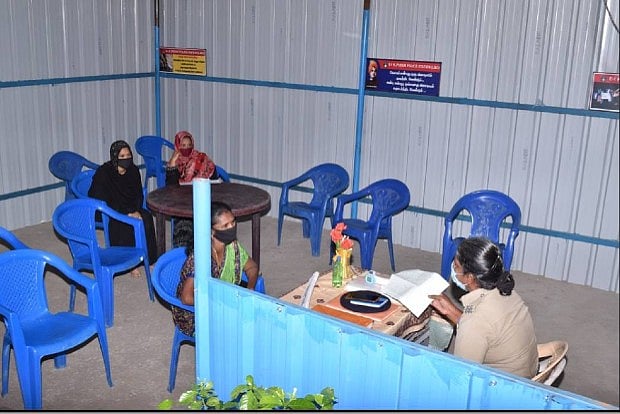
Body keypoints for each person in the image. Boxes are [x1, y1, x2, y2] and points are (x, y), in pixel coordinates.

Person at [429, 237, 538, 378]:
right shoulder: (506, 291)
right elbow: (487, 328)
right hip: (526, 369)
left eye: (456, 265)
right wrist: (450, 311)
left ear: (469, 277)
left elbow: (462, 376)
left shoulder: (474, 321)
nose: (453, 268)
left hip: (506, 384)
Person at [171, 201, 259, 336]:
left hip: (222, 300)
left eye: (233, 222)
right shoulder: (200, 258)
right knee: (243, 328)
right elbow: (186, 298)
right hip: (195, 313)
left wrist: (250, 287)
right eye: (225, 226)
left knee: (259, 318)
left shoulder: (232, 246)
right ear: (211, 231)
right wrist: (219, 303)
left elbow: (252, 267)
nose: (232, 228)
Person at [88, 140, 159, 274]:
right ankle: (130, 263)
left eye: (128, 155)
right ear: (115, 157)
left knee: (147, 218)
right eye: (122, 156)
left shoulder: (133, 170)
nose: (126, 159)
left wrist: (136, 210)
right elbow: (100, 198)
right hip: (112, 209)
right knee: (124, 225)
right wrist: (125, 213)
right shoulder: (104, 173)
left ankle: (149, 259)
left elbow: (138, 194)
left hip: (132, 207)